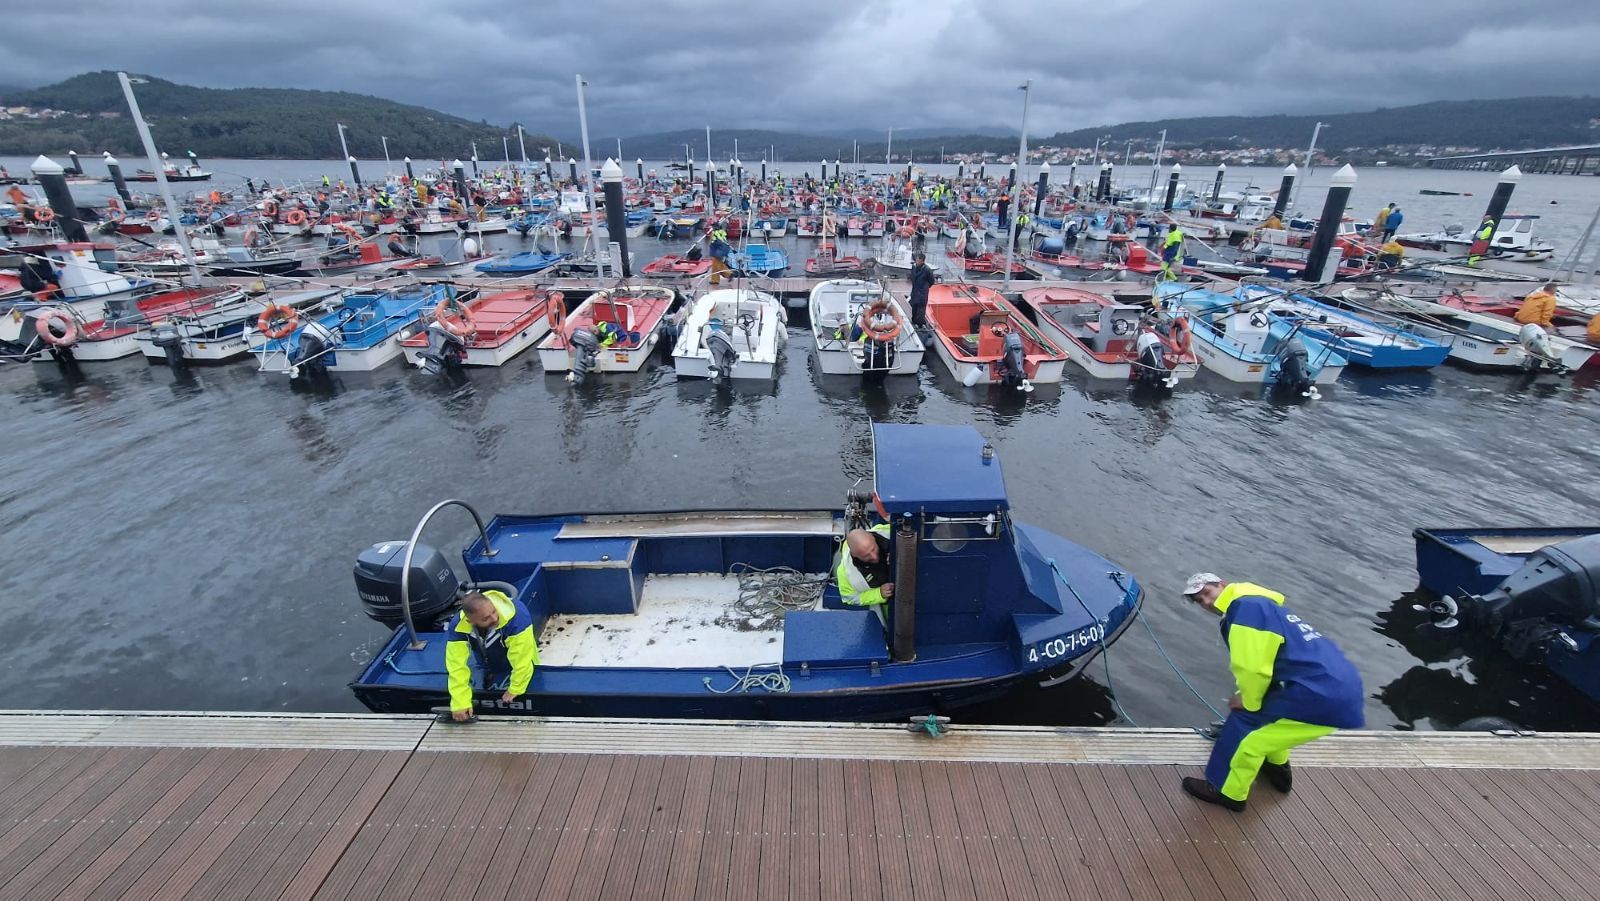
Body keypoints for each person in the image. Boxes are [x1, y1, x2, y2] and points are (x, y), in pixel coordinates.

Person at [1179, 573, 1364, 812]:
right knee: (1270, 718)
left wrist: (1247, 700)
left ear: (1222, 584)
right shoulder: (1260, 603)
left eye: (1207, 592)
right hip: (1338, 685)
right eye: (1198, 600)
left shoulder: (1245, 611)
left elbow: (1252, 668)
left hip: (1321, 694)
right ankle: (1278, 769)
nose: (1205, 602)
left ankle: (1227, 791)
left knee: (1245, 729)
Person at [445, 589, 538, 722]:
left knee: (524, 660)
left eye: (493, 611)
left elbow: (522, 659)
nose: (495, 618)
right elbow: (456, 665)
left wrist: (516, 688)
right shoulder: (458, 626)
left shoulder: (517, 617)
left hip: (525, 663)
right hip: (488, 661)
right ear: (470, 621)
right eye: (485, 618)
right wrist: (460, 701)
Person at [836, 526, 893, 623]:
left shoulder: (886, 532)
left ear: (872, 537)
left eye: (873, 549)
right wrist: (879, 593)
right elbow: (850, 598)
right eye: (866, 556)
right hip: (890, 606)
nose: (874, 557)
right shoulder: (845, 573)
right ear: (854, 555)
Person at [909, 252, 938, 328]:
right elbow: (912, 276)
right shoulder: (914, 267)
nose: (917, 262)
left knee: (921, 308)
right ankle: (913, 320)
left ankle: (920, 324)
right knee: (914, 305)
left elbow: (931, 281)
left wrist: (925, 287)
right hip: (915, 289)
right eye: (917, 260)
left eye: (919, 261)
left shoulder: (927, 270)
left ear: (923, 261)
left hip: (922, 291)